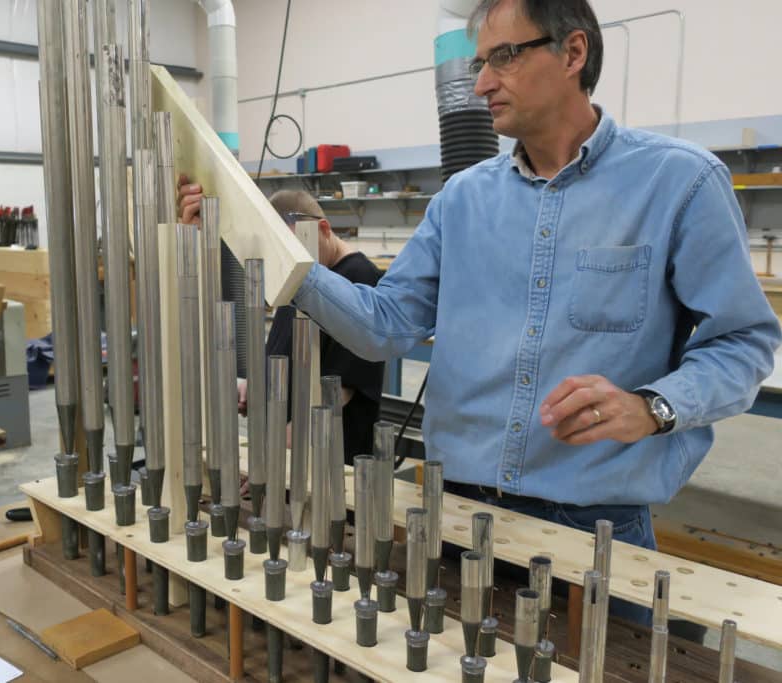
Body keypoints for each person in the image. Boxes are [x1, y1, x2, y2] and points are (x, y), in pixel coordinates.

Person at [285, 0, 781, 621]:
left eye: (504, 57)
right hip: (458, 514)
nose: (483, 83)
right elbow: (385, 326)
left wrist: (652, 406)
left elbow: (743, 344)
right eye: (479, 63)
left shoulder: (679, 184)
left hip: (597, 527)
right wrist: (270, 252)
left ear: (573, 53)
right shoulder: (462, 200)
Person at [178, 180, 385, 463]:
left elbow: (338, 394)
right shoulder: (304, 272)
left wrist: (273, 456)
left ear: (322, 230)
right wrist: (256, 384)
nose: (288, 266)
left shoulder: (360, 279)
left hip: (325, 458)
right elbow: (285, 344)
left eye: (294, 252)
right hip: (283, 445)